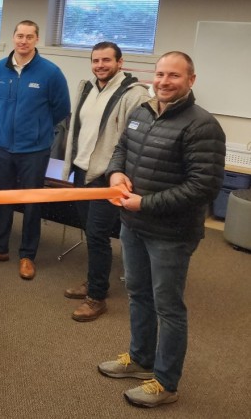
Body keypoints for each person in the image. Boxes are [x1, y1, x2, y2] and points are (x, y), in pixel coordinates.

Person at [99, 51, 225, 408]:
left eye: (173, 75)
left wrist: (145, 203)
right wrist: (116, 173)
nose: (164, 81)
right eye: (160, 74)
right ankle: (140, 359)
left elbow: (204, 187)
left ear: (191, 80)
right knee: (138, 294)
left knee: (168, 307)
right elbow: (121, 149)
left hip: (170, 234)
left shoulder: (202, 125)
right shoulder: (143, 111)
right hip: (133, 225)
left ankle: (167, 382)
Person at [60, 42, 151, 322]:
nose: (100, 65)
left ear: (120, 62)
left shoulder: (134, 94)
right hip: (82, 170)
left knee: (98, 234)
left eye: (106, 60)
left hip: (107, 176)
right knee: (90, 230)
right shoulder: (87, 88)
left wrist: (119, 173)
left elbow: (135, 141)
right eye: (95, 60)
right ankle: (95, 279)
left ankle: (97, 297)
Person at [0, 20, 70, 280]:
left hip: (34, 150)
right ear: (13, 37)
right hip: (1, 146)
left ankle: (27, 255)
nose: (23, 41)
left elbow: (61, 109)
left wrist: (38, 127)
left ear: (36, 40)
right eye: (19, 36)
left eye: (29, 36)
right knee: (1, 198)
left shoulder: (50, 73)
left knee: (31, 204)